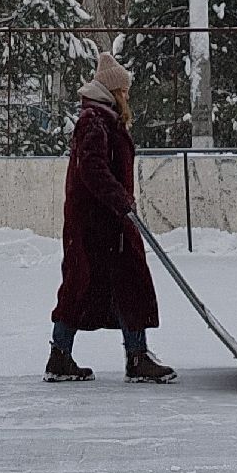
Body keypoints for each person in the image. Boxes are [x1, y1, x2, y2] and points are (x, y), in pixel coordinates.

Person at [45, 51, 176, 384]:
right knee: (81, 284)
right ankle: (63, 357)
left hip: (109, 222)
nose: (128, 95)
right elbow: (91, 168)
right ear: (114, 91)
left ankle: (135, 356)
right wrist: (120, 201)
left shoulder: (103, 119)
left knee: (126, 284)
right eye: (125, 90)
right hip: (94, 224)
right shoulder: (94, 121)